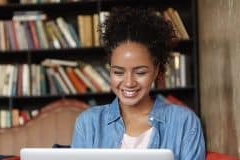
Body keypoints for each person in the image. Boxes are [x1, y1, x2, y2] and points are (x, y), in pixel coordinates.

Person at [71, 7, 206, 160]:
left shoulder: (184, 122)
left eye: (140, 72)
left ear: (156, 70)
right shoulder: (89, 123)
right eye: (118, 72)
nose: (129, 83)